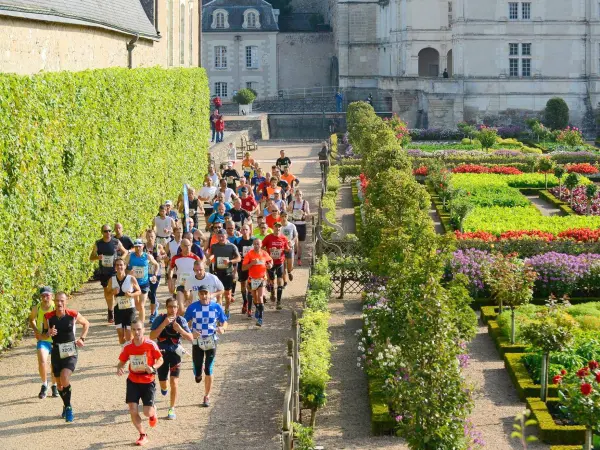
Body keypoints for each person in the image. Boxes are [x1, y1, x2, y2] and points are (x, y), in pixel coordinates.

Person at [43, 292, 90, 422]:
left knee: (64, 377)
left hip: (70, 351)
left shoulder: (72, 315)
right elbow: (43, 335)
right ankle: (65, 404)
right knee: (59, 385)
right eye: (57, 301)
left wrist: (82, 338)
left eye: (62, 301)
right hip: (56, 352)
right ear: (54, 301)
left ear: (66, 302)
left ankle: (69, 407)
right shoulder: (48, 317)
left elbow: (86, 323)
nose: (59, 303)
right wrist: (49, 332)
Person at [117, 319, 163, 446]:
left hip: (148, 381)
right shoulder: (128, 346)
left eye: (139, 329)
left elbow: (160, 359)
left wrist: (153, 367)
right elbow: (121, 361)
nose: (136, 332)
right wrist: (120, 367)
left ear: (143, 330)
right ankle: (143, 434)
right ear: (131, 331)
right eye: (134, 330)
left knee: (147, 412)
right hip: (133, 380)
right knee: (133, 409)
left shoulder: (150, 344)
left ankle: (153, 412)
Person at [150, 297, 193, 420]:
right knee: (163, 383)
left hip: (175, 353)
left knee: (174, 382)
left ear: (177, 308)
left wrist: (180, 330)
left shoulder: (181, 320)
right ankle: (164, 388)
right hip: (161, 354)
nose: (172, 309)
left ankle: (172, 408)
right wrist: (164, 324)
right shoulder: (160, 319)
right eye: (170, 307)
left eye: (175, 307)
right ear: (166, 308)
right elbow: (152, 336)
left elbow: (190, 337)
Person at [184, 285, 228, 407]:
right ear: (198, 295)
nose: (204, 296)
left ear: (210, 294)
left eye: (206, 293)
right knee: (198, 369)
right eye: (201, 294)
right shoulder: (192, 307)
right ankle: (198, 372)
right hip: (197, 341)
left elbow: (224, 321)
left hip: (211, 340)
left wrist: (223, 328)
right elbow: (184, 323)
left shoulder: (216, 307)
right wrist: (190, 333)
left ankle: (207, 396)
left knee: (209, 368)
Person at [90, 224, 128, 323]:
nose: (108, 233)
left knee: (117, 291)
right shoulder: (98, 243)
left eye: (109, 231)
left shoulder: (116, 242)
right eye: (105, 231)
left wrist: (120, 260)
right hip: (104, 272)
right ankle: (110, 311)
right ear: (102, 232)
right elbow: (91, 257)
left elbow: (125, 252)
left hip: (114, 272)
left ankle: (117, 311)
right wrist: (97, 257)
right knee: (108, 293)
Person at [29, 286, 58, 399]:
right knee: (42, 361)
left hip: (56, 340)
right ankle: (44, 384)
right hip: (43, 339)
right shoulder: (37, 308)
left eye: (47, 295)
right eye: (43, 296)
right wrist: (36, 331)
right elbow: (31, 319)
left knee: (54, 365)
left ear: (52, 296)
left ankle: (54, 385)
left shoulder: (56, 307)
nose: (45, 298)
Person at [207, 228, 241, 316]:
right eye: (219, 237)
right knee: (218, 294)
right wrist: (209, 259)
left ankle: (227, 308)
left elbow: (239, 258)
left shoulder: (232, 246)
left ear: (226, 236)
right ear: (217, 237)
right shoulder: (214, 246)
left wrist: (230, 261)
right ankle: (220, 311)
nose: (221, 238)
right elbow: (211, 254)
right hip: (217, 273)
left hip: (228, 273)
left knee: (227, 295)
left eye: (222, 236)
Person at [126, 239, 160, 325]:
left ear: (143, 246)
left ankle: (141, 325)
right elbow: (124, 267)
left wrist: (155, 274)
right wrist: (128, 273)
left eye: (139, 246)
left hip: (144, 284)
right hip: (133, 284)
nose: (138, 248)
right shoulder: (130, 256)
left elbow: (156, 264)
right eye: (136, 247)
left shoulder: (147, 256)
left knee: (141, 306)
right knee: (137, 306)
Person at [241, 238, 273, 326]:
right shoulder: (249, 254)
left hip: (262, 279)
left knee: (260, 297)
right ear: (252, 245)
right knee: (255, 299)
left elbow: (270, 261)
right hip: (252, 279)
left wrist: (270, 265)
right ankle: (258, 309)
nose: (256, 246)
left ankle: (260, 318)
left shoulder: (264, 253)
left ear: (261, 245)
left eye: (258, 244)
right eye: (255, 244)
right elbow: (243, 268)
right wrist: (251, 263)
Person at [110, 258, 141, 345]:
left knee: (129, 336)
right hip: (118, 310)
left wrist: (131, 295)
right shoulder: (112, 280)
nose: (119, 267)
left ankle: (130, 353)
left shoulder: (131, 278)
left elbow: (139, 291)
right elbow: (107, 294)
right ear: (115, 267)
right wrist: (113, 292)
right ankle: (124, 352)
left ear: (125, 266)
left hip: (130, 309)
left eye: (121, 265)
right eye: (117, 265)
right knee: (121, 336)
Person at [262, 222, 290, 310]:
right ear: (273, 228)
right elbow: (262, 247)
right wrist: (268, 249)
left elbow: (287, 249)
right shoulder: (268, 237)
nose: (277, 230)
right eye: (276, 228)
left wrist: (285, 249)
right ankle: (273, 292)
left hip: (280, 262)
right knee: (272, 281)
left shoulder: (283, 238)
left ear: (280, 229)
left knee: (279, 281)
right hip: (270, 262)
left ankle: (278, 302)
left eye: (279, 228)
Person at [169, 239, 202, 312]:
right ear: (181, 246)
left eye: (189, 246)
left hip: (193, 285)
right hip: (180, 284)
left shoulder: (195, 258)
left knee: (192, 309)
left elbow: (201, 271)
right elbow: (171, 269)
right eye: (185, 246)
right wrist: (170, 280)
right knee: (181, 309)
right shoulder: (175, 258)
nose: (187, 248)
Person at [145, 229, 166, 324]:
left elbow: (165, 254)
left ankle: (153, 314)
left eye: (152, 237)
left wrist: (160, 257)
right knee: (148, 293)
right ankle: (155, 304)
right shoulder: (143, 247)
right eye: (148, 236)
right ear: (146, 237)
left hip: (155, 273)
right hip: (145, 273)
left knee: (152, 292)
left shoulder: (158, 246)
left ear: (155, 237)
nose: (150, 238)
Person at [235, 225, 255, 317]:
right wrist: (238, 254)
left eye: (246, 229)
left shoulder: (253, 240)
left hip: (252, 266)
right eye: (243, 229)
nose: (245, 231)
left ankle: (250, 308)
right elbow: (234, 252)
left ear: (250, 230)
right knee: (243, 285)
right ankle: (245, 302)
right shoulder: (238, 240)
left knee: (250, 286)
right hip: (242, 265)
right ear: (241, 231)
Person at [289, 189, 310, 266]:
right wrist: (290, 210)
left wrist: (304, 213)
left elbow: (308, 215)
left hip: (302, 224)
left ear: (302, 195)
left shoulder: (305, 203)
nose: (298, 196)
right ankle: (293, 256)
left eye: (300, 195)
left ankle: (299, 259)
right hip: (294, 225)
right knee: (294, 242)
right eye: (297, 195)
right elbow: (288, 211)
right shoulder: (292, 203)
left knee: (300, 244)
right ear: (295, 196)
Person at [280, 211, 299, 283]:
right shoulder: (279, 226)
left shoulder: (292, 225)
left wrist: (293, 242)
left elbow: (296, 235)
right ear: (280, 217)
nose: (284, 218)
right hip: (281, 248)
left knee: (290, 265)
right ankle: (285, 282)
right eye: (282, 216)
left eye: (285, 216)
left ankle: (289, 272)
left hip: (290, 247)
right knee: (283, 265)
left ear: (288, 216)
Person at [166, 227, 184, 295]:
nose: (179, 234)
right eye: (177, 232)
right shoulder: (169, 244)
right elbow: (165, 254)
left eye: (181, 232)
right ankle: (174, 297)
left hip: (182, 267)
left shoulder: (184, 243)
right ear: (173, 233)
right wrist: (167, 260)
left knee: (182, 286)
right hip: (172, 267)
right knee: (171, 289)